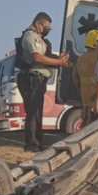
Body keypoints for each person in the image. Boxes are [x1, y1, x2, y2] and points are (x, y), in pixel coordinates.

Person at [17, 12, 71, 152]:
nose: (48, 30)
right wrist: (58, 62)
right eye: (46, 27)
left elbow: (46, 56)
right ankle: (32, 145)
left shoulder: (40, 39)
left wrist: (60, 59)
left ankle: (37, 142)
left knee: (37, 112)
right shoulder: (31, 36)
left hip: (39, 79)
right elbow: (38, 58)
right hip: (31, 78)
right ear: (38, 23)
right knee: (33, 113)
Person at [73, 29, 98, 122]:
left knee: (85, 124)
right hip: (97, 100)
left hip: (85, 99)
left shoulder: (80, 59)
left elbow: (75, 78)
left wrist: (81, 90)